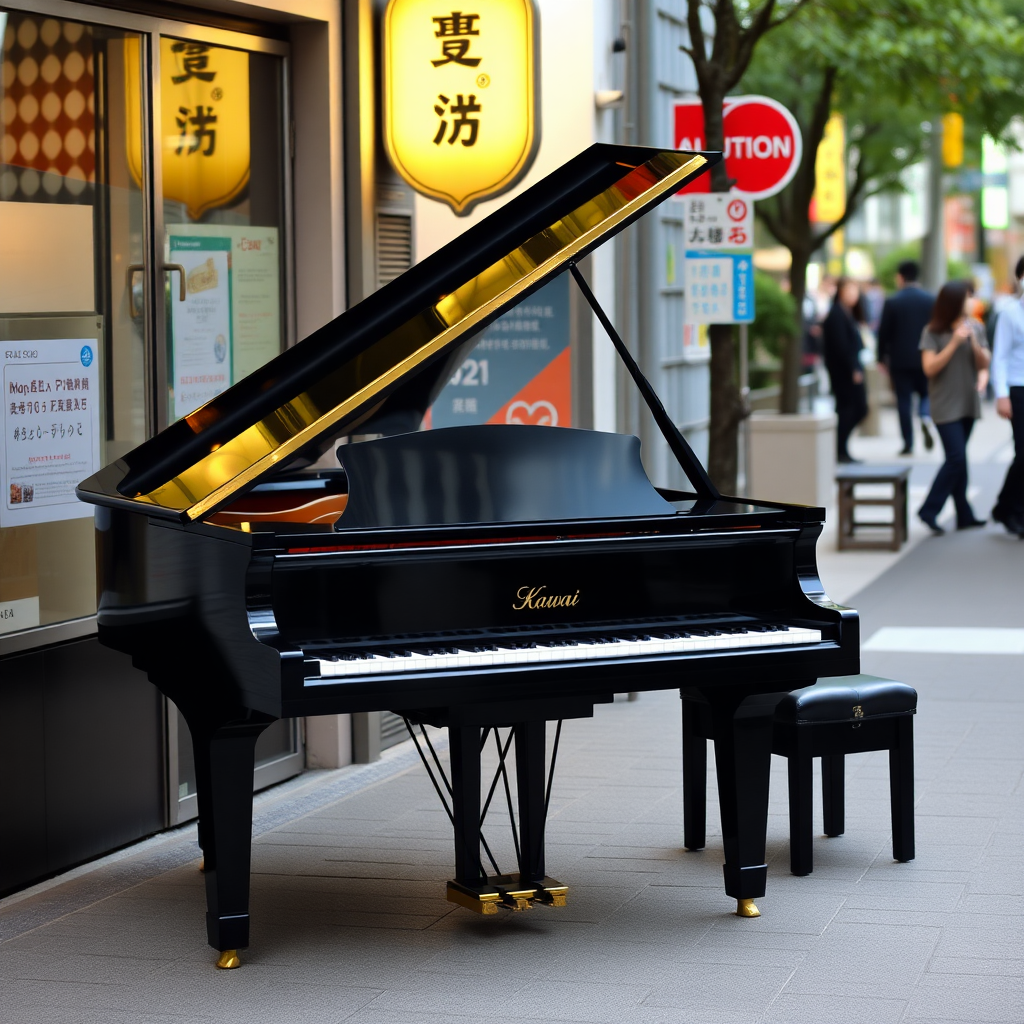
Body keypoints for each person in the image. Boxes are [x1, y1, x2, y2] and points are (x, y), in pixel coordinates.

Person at [917, 280, 991, 535]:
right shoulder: (932, 332)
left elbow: (984, 363)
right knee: (956, 458)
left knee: (959, 459)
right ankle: (929, 510)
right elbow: (929, 368)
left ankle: (964, 514)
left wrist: (972, 343)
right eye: (967, 297)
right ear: (953, 303)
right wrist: (953, 343)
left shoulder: (976, 327)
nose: (972, 301)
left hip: (968, 402)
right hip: (945, 404)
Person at [877, 260, 935, 455]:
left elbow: (883, 332)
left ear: (901, 277)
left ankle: (908, 443)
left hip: (900, 359)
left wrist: (880, 358)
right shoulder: (930, 300)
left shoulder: (893, 301)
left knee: (903, 401)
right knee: (926, 393)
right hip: (925, 356)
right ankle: (925, 416)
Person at [990, 255, 1024, 537]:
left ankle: (1004, 507)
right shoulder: (1010, 313)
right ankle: (1012, 511)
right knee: (1023, 452)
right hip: (1018, 388)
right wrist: (1001, 395)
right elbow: (999, 357)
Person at [823, 277, 868, 463]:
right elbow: (841, 347)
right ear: (840, 291)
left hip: (850, 369)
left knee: (856, 409)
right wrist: (853, 369)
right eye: (850, 290)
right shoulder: (836, 315)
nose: (853, 295)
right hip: (844, 373)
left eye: (855, 291)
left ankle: (841, 448)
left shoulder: (847, 313)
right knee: (852, 409)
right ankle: (839, 448)